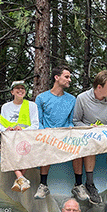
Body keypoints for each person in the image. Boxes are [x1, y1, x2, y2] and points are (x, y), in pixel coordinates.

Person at [72, 70, 107, 204]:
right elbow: (76, 121)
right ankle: (90, 184)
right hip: (89, 132)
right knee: (89, 144)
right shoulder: (82, 98)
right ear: (99, 87)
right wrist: (90, 128)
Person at [33, 66, 76, 199]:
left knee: (79, 147)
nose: (69, 80)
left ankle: (79, 185)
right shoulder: (41, 98)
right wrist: (44, 131)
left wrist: (68, 129)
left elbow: (71, 121)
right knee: (46, 146)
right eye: (67, 77)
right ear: (57, 78)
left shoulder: (72, 99)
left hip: (65, 136)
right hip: (47, 136)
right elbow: (38, 121)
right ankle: (43, 185)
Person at [0, 81, 40, 192]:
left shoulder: (32, 106)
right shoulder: (6, 107)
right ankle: (21, 178)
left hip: (26, 137)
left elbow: (36, 125)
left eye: (22, 88)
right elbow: (1, 126)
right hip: (10, 138)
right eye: (17, 88)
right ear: (12, 92)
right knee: (9, 144)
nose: (20, 90)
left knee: (26, 147)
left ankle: (19, 178)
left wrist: (23, 130)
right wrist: (7, 129)